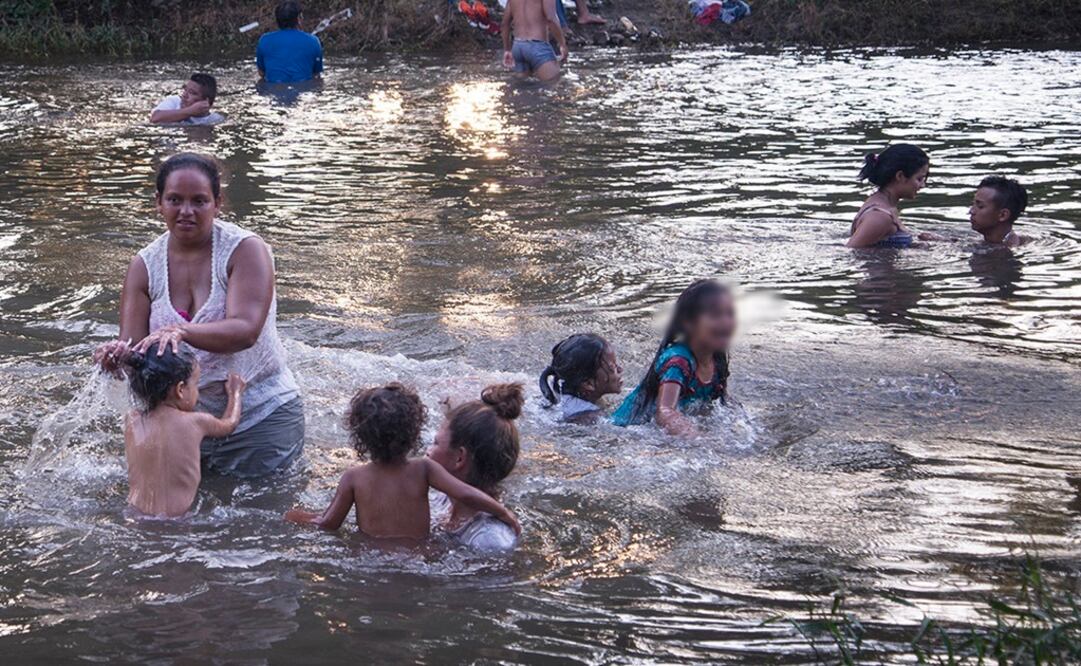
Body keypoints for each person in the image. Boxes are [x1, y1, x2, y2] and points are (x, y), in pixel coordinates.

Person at [94, 153, 304, 478]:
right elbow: (136, 350)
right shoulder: (144, 266)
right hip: (178, 426)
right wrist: (117, 357)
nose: (186, 211)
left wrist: (182, 330)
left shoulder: (245, 250)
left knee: (256, 519)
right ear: (158, 203)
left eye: (199, 201)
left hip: (260, 417)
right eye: (175, 200)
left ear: (218, 203)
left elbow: (246, 331)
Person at [284, 383, 521, 540]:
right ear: (413, 433)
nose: (429, 448)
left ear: (359, 439)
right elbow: (469, 495)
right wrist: (503, 512)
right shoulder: (425, 472)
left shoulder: (353, 477)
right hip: (421, 558)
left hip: (370, 560)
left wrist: (294, 517)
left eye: (436, 443)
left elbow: (328, 523)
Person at [123, 343, 246, 518]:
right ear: (181, 390)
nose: (197, 390)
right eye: (196, 384)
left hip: (134, 515)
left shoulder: (131, 420)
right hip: (178, 522)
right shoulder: (196, 421)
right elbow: (229, 423)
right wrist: (235, 393)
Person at [612, 279, 734, 436]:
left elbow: (720, 401)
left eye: (729, 313)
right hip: (624, 430)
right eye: (716, 315)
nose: (726, 322)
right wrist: (697, 438)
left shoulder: (717, 359)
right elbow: (665, 411)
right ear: (688, 323)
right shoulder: (678, 361)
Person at [427, 384, 526, 552]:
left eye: (435, 443)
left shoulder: (490, 541)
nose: (427, 452)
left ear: (459, 458)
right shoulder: (441, 497)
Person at [847, 144, 933, 249]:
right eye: (919, 179)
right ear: (900, 176)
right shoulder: (880, 216)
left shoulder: (885, 206)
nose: (922, 185)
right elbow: (851, 251)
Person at [539, 334, 622, 424]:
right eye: (612, 367)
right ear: (588, 384)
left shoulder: (560, 392)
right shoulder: (588, 418)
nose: (620, 369)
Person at [256, 2, 324, 84]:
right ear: (299, 19)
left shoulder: (264, 40)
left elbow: (262, 73)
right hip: (304, 90)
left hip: (272, 89)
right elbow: (316, 74)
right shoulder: (313, 41)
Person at [501, 0, 568, 82]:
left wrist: (507, 50)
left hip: (518, 47)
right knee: (554, 83)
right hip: (538, 46)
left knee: (521, 87)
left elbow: (505, 23)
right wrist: (562, 44)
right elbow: (551, 18)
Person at [970, 176, 1029, 247]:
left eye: (980, 206)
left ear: (1003, 215)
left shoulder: (1003, 254)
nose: (971, 211)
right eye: (973, 204)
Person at [150, 73, 224, 126]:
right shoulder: (174, 101)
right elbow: (155, 119)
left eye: (192, 93)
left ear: (205, 101)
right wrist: (190, 111)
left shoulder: (214, 120)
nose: (184, 95)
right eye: (185, 90)